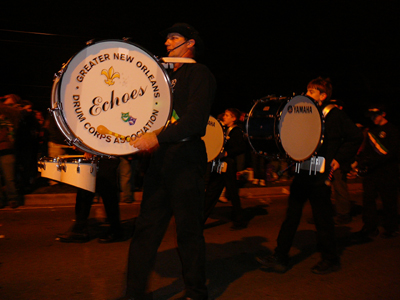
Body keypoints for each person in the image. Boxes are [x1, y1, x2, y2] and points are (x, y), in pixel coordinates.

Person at [121, 23, 216, 300]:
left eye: (173, 38)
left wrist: (157, 139)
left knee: (188, 231)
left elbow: (196, 122)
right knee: (145, 229)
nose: (166, 42)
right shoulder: (162, 80)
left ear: (189, 44)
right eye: (165, 38)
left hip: (186, 160)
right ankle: (135, 293)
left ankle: (196, 292)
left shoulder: (199, 73)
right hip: (162, 161)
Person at [256, 77, 363, 274]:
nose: (306, 95)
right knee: (291, 217)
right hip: (303, 172)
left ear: (323, 96)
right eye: (306, 91)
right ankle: (281, 257)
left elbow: (355, 137)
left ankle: (330, 259)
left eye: (312, 92)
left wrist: (339, 159)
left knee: (323, 219)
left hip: (320, 176)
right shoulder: (305, 114)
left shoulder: (334, 115)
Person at [353, 105, 399, 239]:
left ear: (383, 114)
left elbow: (392, 153)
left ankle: (391, 227)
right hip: (372, 172)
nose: (373, 118)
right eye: (371, 116)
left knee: (389, 200)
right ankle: (370, 227)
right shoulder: (372, 131)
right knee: (368, 201)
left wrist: (372, 161)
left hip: (387, 171)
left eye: (376, 115)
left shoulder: (393, 130)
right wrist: (360, 163)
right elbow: (366, 150)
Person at [56, 155, 123, 243]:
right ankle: (80, 229)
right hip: (98, 156)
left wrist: (90, 149)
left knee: (107, 191)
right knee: (85, 190)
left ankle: (115, 229)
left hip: (106, 156)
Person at [204, 108, 247, 229]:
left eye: (228, 115)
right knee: (212, 192)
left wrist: (227, 153)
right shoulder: (223, 129)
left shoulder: (236, 131)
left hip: (228, 165)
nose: (225, 116)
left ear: (234, 118)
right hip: (219, 164)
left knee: (232, 192)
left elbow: (241, 148)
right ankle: (199, 221)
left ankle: (239, 220)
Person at [0, 94, 24, 208]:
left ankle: (12, 198)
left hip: (7, 149)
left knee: (9, 177)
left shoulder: (12, 113)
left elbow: (15, 113)